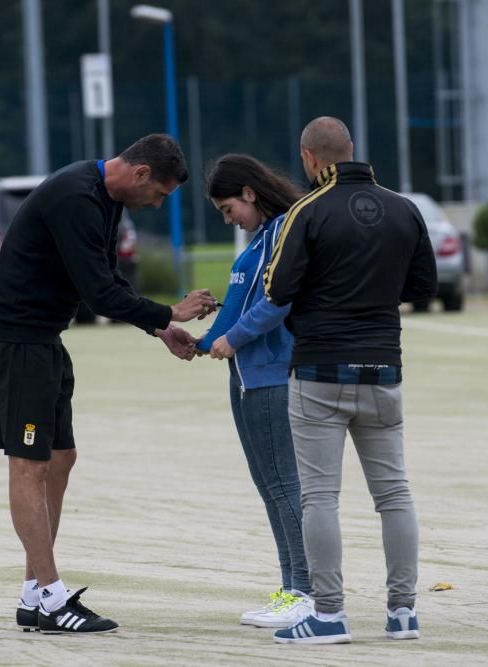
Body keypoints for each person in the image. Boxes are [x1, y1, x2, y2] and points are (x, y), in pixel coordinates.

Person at [0, 134, 217, 635]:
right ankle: (53, 596)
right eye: (162, 194)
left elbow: (108, 278)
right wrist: (170, 309)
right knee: (28, 466)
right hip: (15, 344)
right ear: (142, 174)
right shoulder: (76, 197)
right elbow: (99, 294)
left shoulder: (104, 199)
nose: (157, 204)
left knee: (61, 458)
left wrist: (161, 329)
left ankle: (34, 594)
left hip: (42, 341)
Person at [264, 117, 437, 645]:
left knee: (319, 496)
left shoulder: (308, 210)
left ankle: (331, 615)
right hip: (384, 368)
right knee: (395, 494)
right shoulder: (404, 209)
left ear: (310, 157)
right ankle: (403, 613)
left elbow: (277, 288)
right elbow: (425, 285)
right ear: (353, 151)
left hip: (318, 370)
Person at [195, 154, 313, 629]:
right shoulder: (262, 238)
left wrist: (230, 340)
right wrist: (201, 342)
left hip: (270, 376)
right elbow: (239, 307)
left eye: (228, 209)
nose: (230, 221)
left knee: (286, 486)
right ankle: (291, 587)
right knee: (271, 487)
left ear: (248, 192)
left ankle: (306, 591)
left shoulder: (283, 230)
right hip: (245, 377)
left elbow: (274, 302)